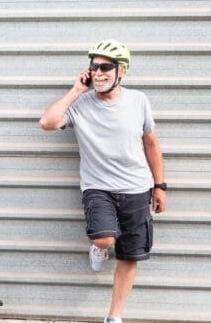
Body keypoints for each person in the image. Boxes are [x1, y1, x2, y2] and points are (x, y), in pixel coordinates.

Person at [39, 39, 167, 323]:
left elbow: (152, 144)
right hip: (99, 188)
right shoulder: (80, 104)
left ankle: (114, 317)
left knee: (130, 256)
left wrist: (160, 186)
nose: (97, 73)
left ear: (121, 71)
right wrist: (75, 90)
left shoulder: (138, 101)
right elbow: (47, 122)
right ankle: (99, 247)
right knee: (105, 237)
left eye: (104, 67)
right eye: (93, 67)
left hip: (137, 187)